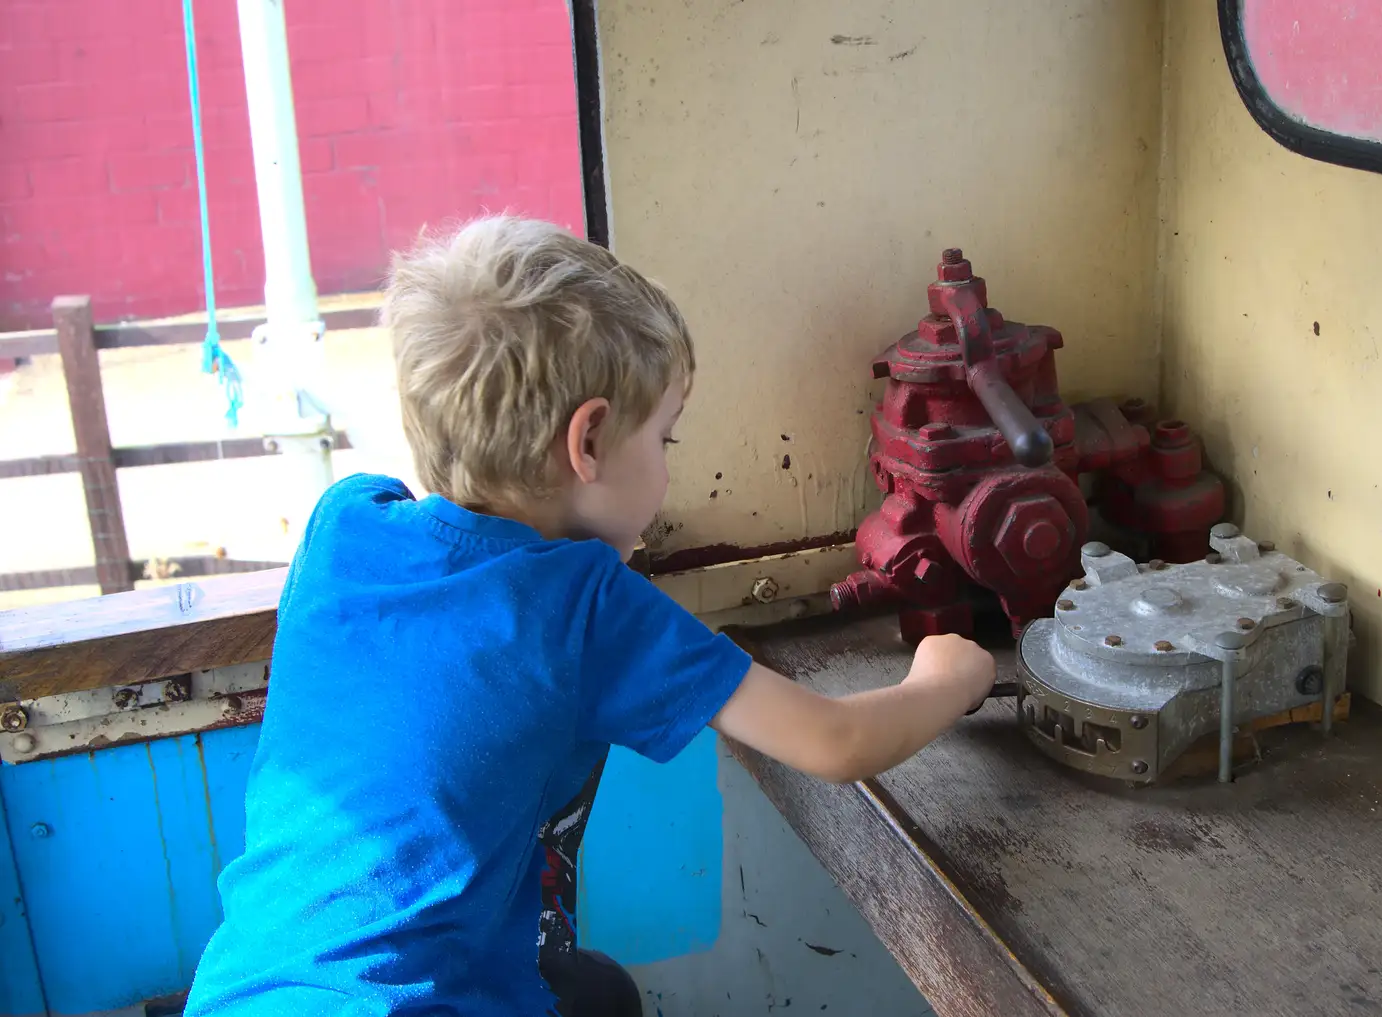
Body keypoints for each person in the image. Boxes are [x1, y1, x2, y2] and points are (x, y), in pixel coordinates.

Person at [183, 216, 997, 1017]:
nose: (670, 465)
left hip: (241, 990)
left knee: (595, 990)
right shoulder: (578, 601)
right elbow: (837, 742)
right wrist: (947, 676)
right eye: (666, 439)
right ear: (591, 440)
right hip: (419, 1003)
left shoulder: (344, 521)